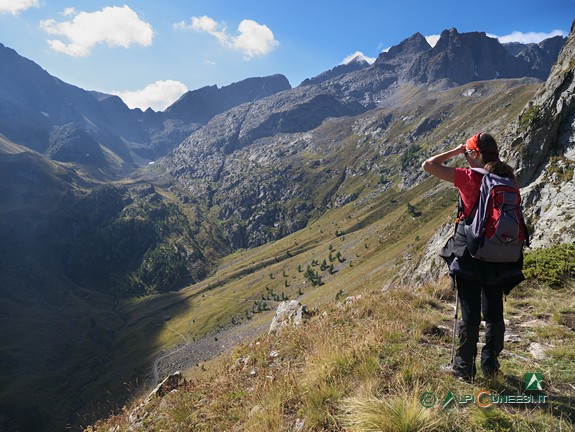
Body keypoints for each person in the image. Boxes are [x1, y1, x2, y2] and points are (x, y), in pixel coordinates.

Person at [421, 132, 524, 381]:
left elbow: (429, 165)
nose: (465, 157)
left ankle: (463, 369)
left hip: (471, 253)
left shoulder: (468, 177)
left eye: (468, 153)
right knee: (494, 314)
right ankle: (491, 366)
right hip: (500, 254)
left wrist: (456, 152)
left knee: (469, 314)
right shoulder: (508, 177)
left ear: (475, 154)